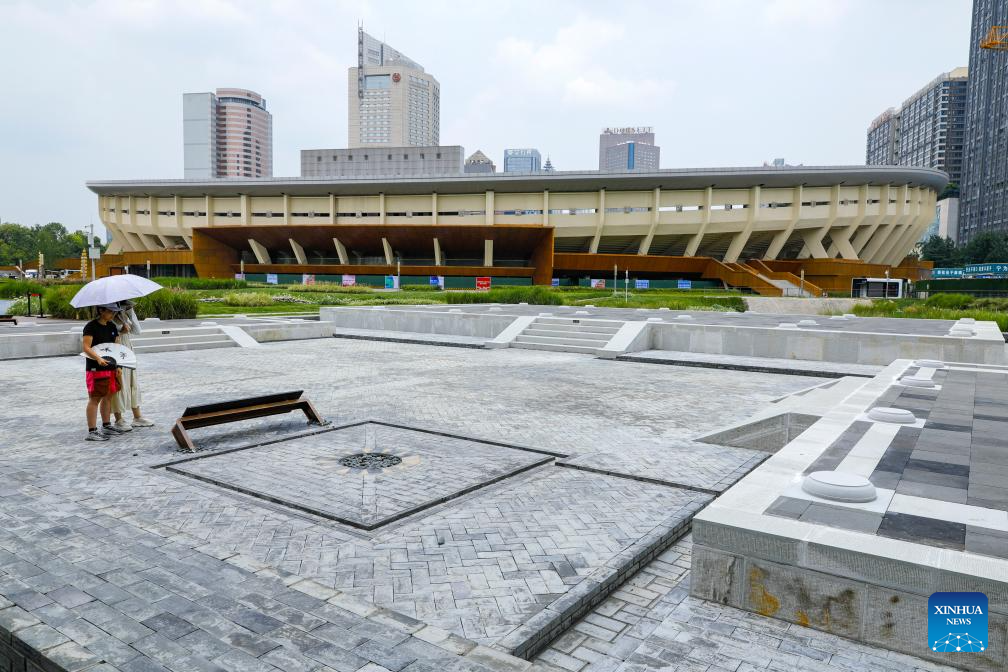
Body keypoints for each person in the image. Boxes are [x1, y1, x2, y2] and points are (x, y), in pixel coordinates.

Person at [82, 303, 127, 441]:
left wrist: (118, 366)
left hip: (111, 368)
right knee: (95, 398)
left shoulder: (112, 326)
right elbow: (85, 347)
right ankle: (92, 431)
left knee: (108, 396)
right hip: (96, 368)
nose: (113, 314)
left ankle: (106, 425)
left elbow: (116, 347)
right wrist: (98, 358)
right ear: (101, 311)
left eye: (114, 312)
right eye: (110, 311)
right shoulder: (91, 326)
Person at [110, 301, 153, 430]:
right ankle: (119, 419)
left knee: (132, 382)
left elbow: (137, 330)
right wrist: (121, 332)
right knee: (119, 383)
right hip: (116, 351)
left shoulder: (123, 314)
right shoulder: (108, 315)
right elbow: (106, 336)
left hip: (128, 350)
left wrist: (130, 311)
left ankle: (137, 416)